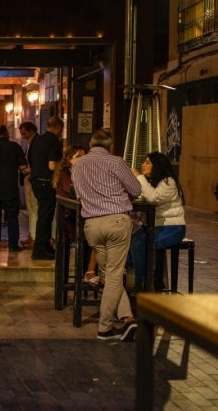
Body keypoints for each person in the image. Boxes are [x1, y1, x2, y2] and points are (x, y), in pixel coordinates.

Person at [71, 129, 141, 341]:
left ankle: (128, 319)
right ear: (110, 146)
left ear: (91, 144)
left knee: (107, 274)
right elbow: (136, 189)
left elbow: (78, 193)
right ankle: (105, 328)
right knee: (113, 275)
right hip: (116, 221)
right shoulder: (116, 162)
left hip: (91, 224)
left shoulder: (78, 165)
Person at [128, 151, 186, 291]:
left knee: (140, 243)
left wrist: (139, 177)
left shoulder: (168, 182)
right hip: (157, 226)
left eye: (147, 162)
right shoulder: (154, 181)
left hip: (173, 228)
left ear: (157, 165)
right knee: (128, 241)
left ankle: (141, 283)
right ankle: (151, 278)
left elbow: (153, 197)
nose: (143, 165)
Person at [53, 144, 98, 285]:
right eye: (78, 157)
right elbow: (75, 195)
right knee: (97, 235)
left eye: (84, 156)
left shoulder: (87, 173)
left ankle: (91, 272)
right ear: (68, 159)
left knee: (101, 233)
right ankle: (89, 273)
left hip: (81, 216)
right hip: (70, 219)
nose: (82, 159)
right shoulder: (66, 173)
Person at [27, 116, 64, 260]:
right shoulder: (54, 141)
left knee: (43, 215)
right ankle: (40, 250)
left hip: (35, 181)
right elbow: (52, 165)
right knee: (45, 217)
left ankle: (45, 247)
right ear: (59, 128)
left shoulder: (37, 140)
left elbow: (30, 160)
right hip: (47, 182)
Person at [18, 121, 38, 248]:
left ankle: (34, 238)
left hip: (32, 179)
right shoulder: (30, 142)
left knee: (33, 208)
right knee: (31, 209)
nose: (23, 135)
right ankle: (31, 236)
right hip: (28, 178)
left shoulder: (36, 142)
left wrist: (29, 170)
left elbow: (37, 161)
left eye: (24, 132)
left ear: (31, 130)